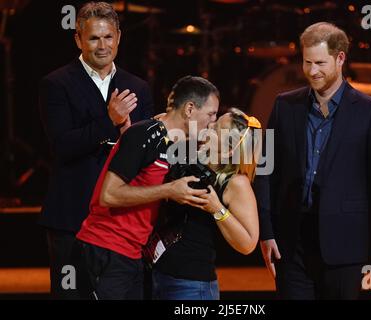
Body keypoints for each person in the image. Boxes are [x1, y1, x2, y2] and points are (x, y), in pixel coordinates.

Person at [254, 22, 371, 300]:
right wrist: (266, 232)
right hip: (291, 244)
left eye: (320, 63)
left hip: (346, 246)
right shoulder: (285, 105)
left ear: (340, 58)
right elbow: (266, 169)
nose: (312, 71)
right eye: (307, 62)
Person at [38, 2, 154, 299]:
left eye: (108, 37)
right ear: (78, 39)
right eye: (93, 38)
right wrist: (109, 122)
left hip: (122, 223)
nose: (102, 46)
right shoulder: (56, 84)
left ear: (118, 37)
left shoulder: (137, 86)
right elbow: (62, 146)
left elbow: (150, 156)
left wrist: (133, 140)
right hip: (72, 219)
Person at [75, 75, 220, 299]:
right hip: (106, 250)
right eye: (211, 114)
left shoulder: (174, 143)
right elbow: (109, 195)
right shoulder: (142, 134)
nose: (213, 122)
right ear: (190, 109)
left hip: (133, 256)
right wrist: (170, 190)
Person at [151, 108, 261, 300]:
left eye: (217, 128)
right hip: (157, 273)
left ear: (228, 149)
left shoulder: (236, 183)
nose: (209, 125)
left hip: (192, 286)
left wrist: (217, 209)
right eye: (214, 121)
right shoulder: (192, 158)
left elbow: (248, 244)